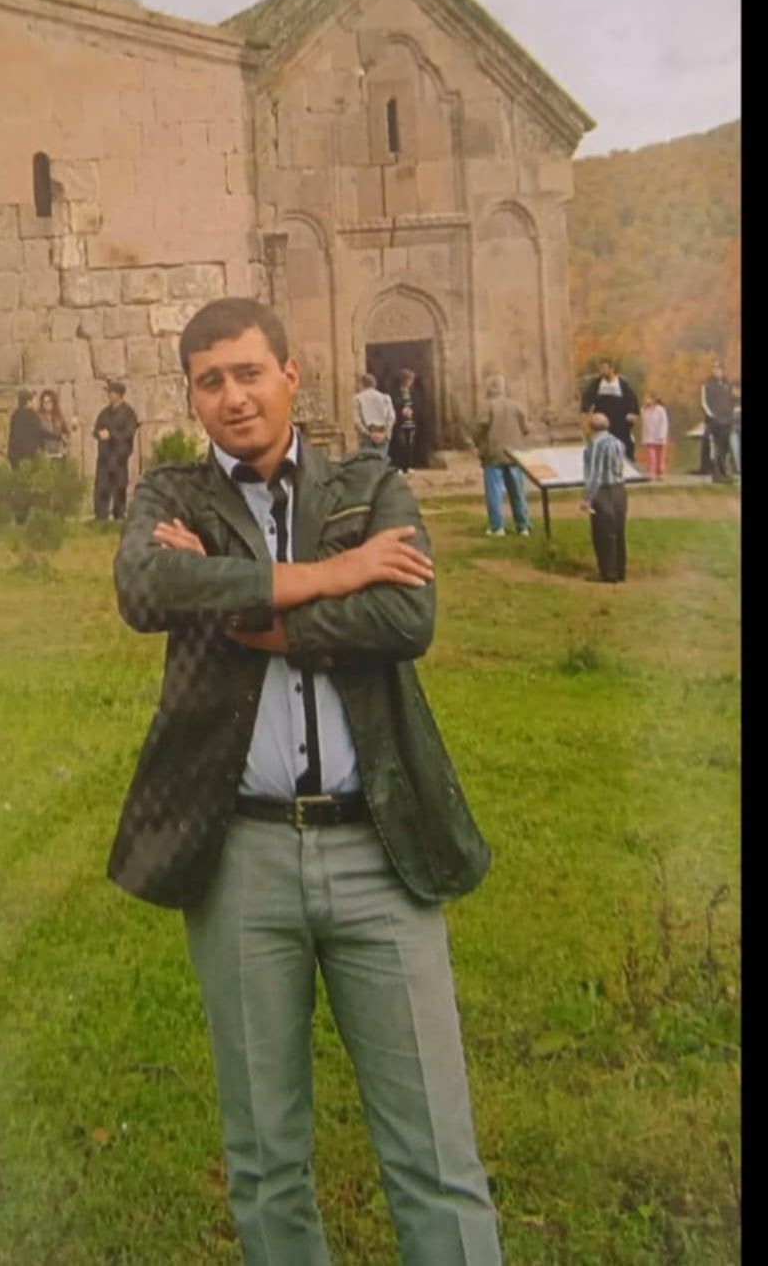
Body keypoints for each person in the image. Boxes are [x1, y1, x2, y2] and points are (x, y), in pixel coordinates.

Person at [109, 297, 501, 1266]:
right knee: (265, 1159)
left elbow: (405, 619)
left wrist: (247, 611)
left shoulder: (367, 485)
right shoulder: (171, 494)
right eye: (210, 380)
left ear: (291, 374)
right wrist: (333, 574)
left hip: (379, 848)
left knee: (436, 1153)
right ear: (192, 397)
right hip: (240, 856)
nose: (233, 396)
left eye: (249, 372)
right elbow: (147, 589)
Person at [473, 374, 532, 536]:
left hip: (494, 453)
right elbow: (526, 428)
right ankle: (523, 526)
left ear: (490, 389)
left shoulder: (487, 406)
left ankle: (497, 526)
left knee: (494, 492)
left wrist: (478, 443)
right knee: (518, 491)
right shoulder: (516, 406)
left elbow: (479, 429)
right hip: (514, 454)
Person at [581, 412, 628, 583]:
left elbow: (596, 474)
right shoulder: (618, 442)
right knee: (618, 531)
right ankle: (620, 570)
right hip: (619, 489)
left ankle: (607, 572)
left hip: (603, 491)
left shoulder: (595, 445)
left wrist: (587, 498)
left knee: (603, 532)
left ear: (591, 427)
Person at [92, 380, 139, 520]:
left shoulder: (128, 413)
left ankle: (119, 515)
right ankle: (101, 516)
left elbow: (129, 432)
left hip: (119, 457)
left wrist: (111, 434)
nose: (109, 395)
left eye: (112, 392)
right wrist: (99, 434)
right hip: (104, 456)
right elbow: (96, 430)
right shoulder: (104, 413)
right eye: (109, 392)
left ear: (119, 395)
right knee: (102, 486)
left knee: (119, 486)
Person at [580, 357, 640, 461]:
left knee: (623, 443)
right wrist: (585, 411)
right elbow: (588, 397)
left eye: (604, 368)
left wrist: (633, 413)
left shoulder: (622, 384)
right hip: (603, 420)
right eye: (601, 368)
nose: (602, 371)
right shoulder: (597, 384)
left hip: (620, 420)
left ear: (612, 369)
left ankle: (626, 463)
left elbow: (632, 399)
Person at [701, 361, 735, 483]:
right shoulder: (707, 384)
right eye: (714, 368)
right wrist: (712, 416)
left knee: (725, 448)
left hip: (727, 420)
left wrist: (730, 415)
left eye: (719, 368)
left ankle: (724, 472)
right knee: (717, 448)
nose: (717, 371)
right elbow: (704, 402)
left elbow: (731, 400)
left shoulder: (727, 384)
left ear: (722, 370)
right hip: (714, 421)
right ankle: (716, 474)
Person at [352, 371, 396, 457]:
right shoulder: (385, 397)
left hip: (367, 434)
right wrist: (385, 433)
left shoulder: (358, 398)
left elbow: (357, 421)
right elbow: (391, 417)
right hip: (383, 432)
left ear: (362, 384)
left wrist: (369, 434)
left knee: (367, 461)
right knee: (381, 460)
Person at [6, 388, 43, 469]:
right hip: (29, 454)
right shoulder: (33, 416)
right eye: (34, 401)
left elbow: (13, 435)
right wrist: (58, 436)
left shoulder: (15, 415)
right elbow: (40, 432)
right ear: (29, 402)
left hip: (15, 455)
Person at [391, 367, 419, 473]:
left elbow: (417, 405)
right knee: (400, 445)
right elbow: (393, 405)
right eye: (410, 380)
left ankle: (408, 466)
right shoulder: (395, 392)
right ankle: (399, 466)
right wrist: (401, 410)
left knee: (410, 445)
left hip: (410, 422)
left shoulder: (413, 392)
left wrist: (412, 412)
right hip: (400, 422)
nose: (411, 382)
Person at [640, 392, 669, 479]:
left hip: (659, 436)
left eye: (648, 398)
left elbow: (664, 423)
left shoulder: (660, 410)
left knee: (660, 456)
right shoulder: (644, 410)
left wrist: (662, 434)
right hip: (649, 436)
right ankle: (651, 472)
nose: (646, 400)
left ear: (653, 399)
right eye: (645, 399)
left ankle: (660, 472)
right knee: (651, 456)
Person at [38, 388, 71, 460]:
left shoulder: (58, 417)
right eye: (44, 402)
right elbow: (41, 432)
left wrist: (66, 438)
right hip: (45, 453)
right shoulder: (38, 418)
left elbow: (65, 432)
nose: (46, 404)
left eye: (49, 402)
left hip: (58, 452)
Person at [729, 381, 741, 477]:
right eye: (734, 390)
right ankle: (738, 469)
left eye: (737, 389)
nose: (735, 392)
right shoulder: (729, 401)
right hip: (732, 428)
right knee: (735, 449)